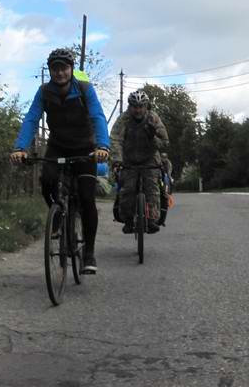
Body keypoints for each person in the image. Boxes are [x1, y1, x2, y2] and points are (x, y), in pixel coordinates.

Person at [10, 48, 109, 274]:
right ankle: (57, 215)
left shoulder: (84, 89)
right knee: (47, 180)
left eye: (64, 68)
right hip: (58, 146)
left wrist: (103, 146)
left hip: (85, 148)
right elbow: (31, 118)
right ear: (50, 70)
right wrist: (19, 148)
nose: (60, 73)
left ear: (71, 69)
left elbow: (97, 116)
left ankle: (89, 253)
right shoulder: (44, 92)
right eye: (55, 69)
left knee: (86, 198)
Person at [109, 90, 169, 234]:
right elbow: (115, 139)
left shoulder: (153, 118)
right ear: (129, 107)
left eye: (141, 106)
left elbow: (165, 143)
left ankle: (152, 220)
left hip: (150, 160)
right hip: (129, 160)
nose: (138, 110)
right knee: (127, 190)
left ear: (146, 106)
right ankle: (128, 220)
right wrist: (117, 160)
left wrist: (153, 136)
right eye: (134, 106)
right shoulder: (124, 119)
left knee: (152, 190)